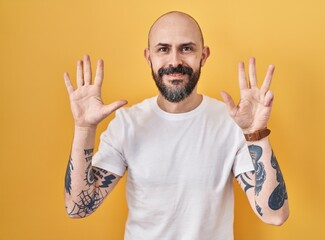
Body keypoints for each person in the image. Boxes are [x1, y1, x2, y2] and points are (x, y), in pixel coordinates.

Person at [63, 11, 289, 240]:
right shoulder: (127, 124)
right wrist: (84, 129)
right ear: (148, 57)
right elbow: (78, 208)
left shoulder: (232, 123)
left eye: (186, 48)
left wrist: (256, 134)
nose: (174, 61)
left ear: (204, 55)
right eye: (163, 49)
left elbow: (275, 215)